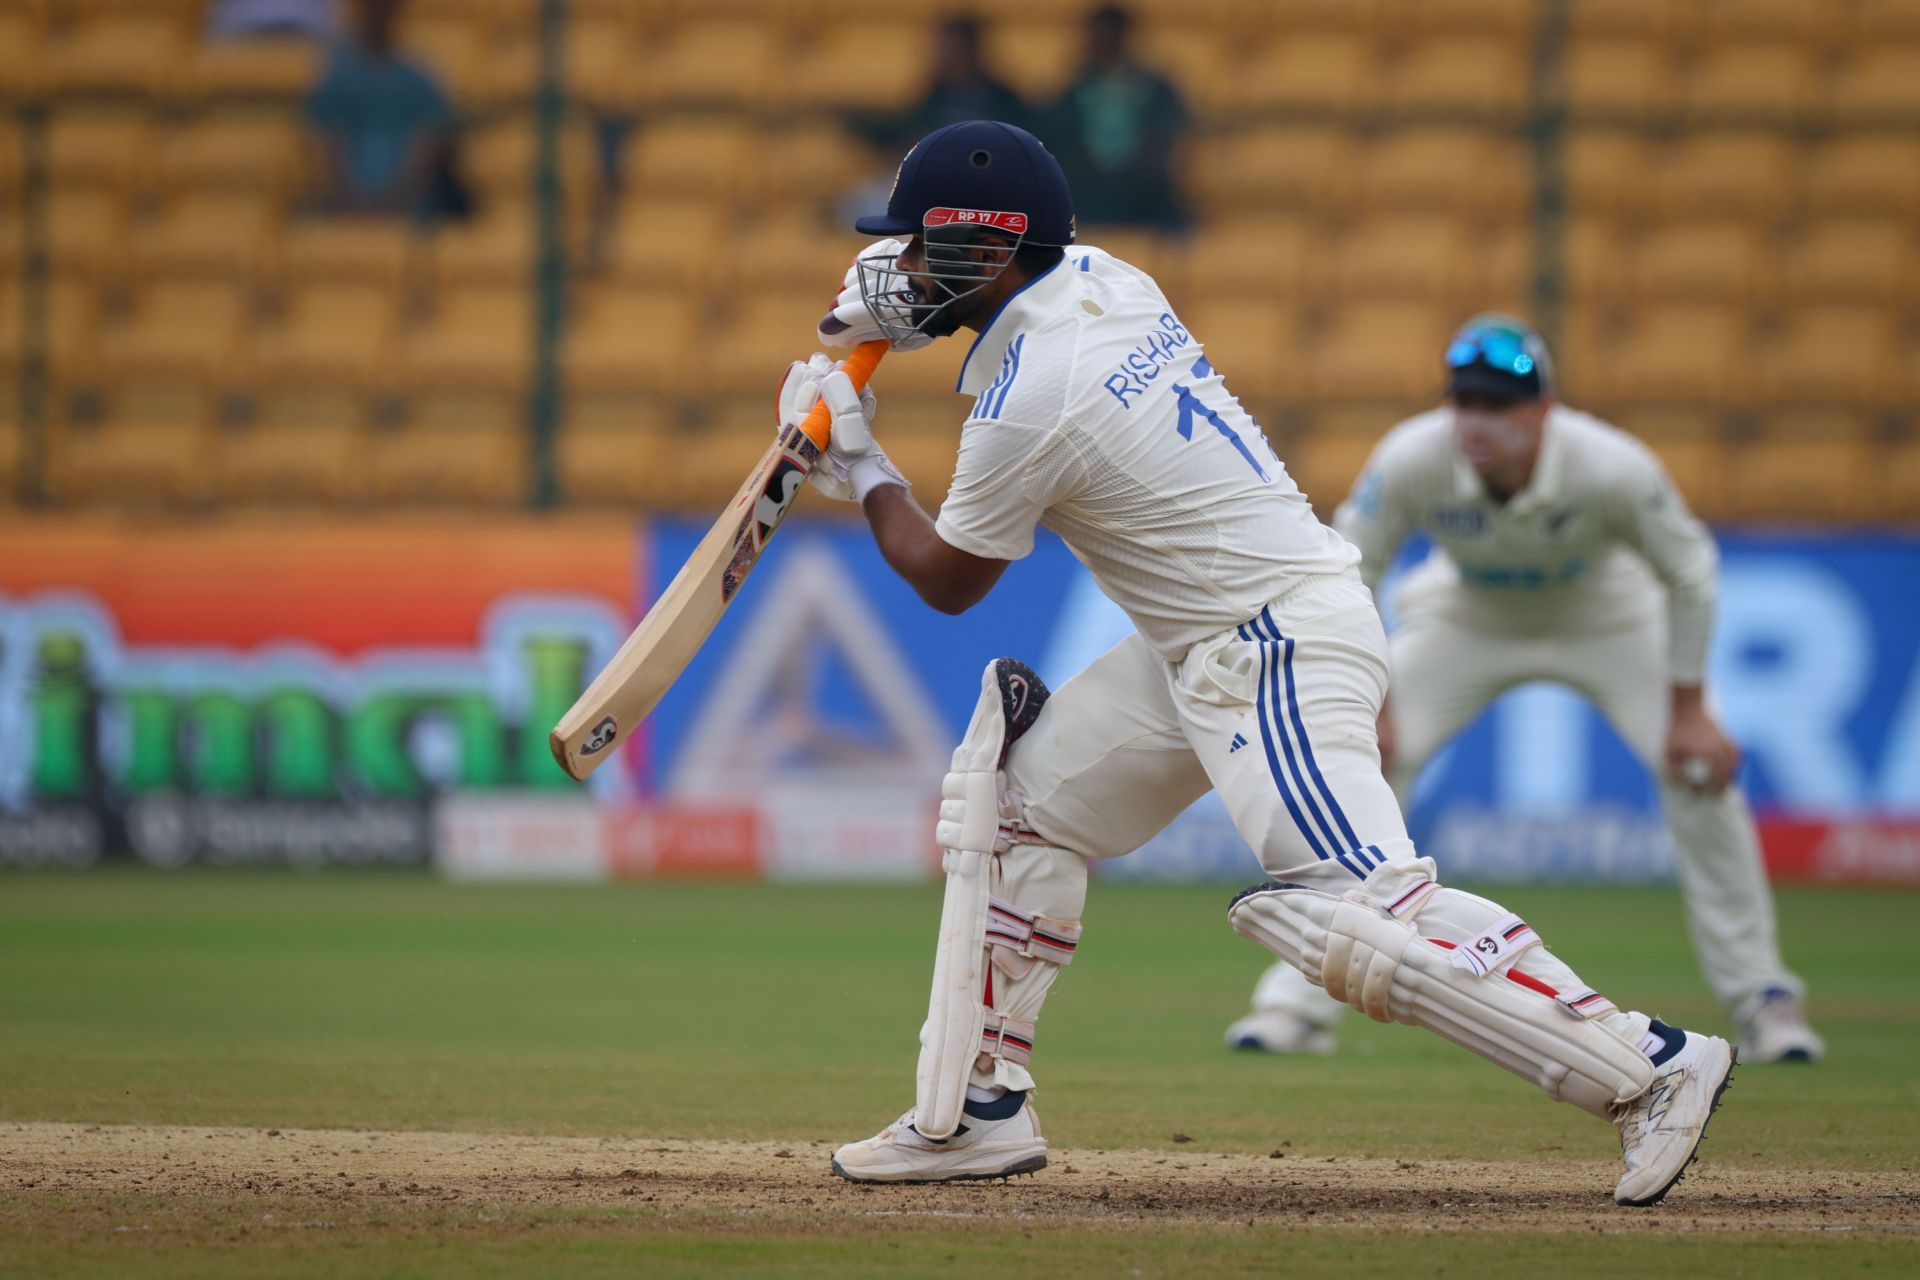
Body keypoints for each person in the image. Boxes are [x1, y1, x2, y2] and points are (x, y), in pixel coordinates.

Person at [783, 119, 1737, 1207]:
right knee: (1019, 807)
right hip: (1198, 644)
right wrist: (902, 318)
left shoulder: (1033, 396)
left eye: (916, 248)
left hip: (1273, 644)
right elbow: (990, 321)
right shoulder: (1106, 278)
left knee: (1366, 913)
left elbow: (950, 579)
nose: (897, 270)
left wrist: (860, 463)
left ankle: (1647, 1062)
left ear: (986, 251)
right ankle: (981, 1106)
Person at [1224, 317, 1825, 1066]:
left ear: (1543, 410)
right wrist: (1375, 704)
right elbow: (1356, 566)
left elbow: (1690, 570)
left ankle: (1765, 999)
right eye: (1465, 403)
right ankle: (1295, 1004)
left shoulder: (1610, 466)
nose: (1477, 422)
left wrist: (1691, 709)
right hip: (1465, 613)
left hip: (1608, 618)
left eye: (1499, 406)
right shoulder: (1415, 456)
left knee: (1701, 778)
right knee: (1360, 766)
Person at [305, 0, 461, 220]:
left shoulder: (419, 79)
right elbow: (326, 144)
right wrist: (352, 203)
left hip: (412, 212)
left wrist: (394, 200)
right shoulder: (337, 78)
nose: (380, 10)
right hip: (346, 211)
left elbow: (431, 147)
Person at [1043, 4, 1189, 230]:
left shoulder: (1153, 86)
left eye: (1109, 35)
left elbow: (1162, 136)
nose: (1103, 42)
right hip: (1088, 187)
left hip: (1141, 187)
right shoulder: (1074, 88)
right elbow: (1062, 138)